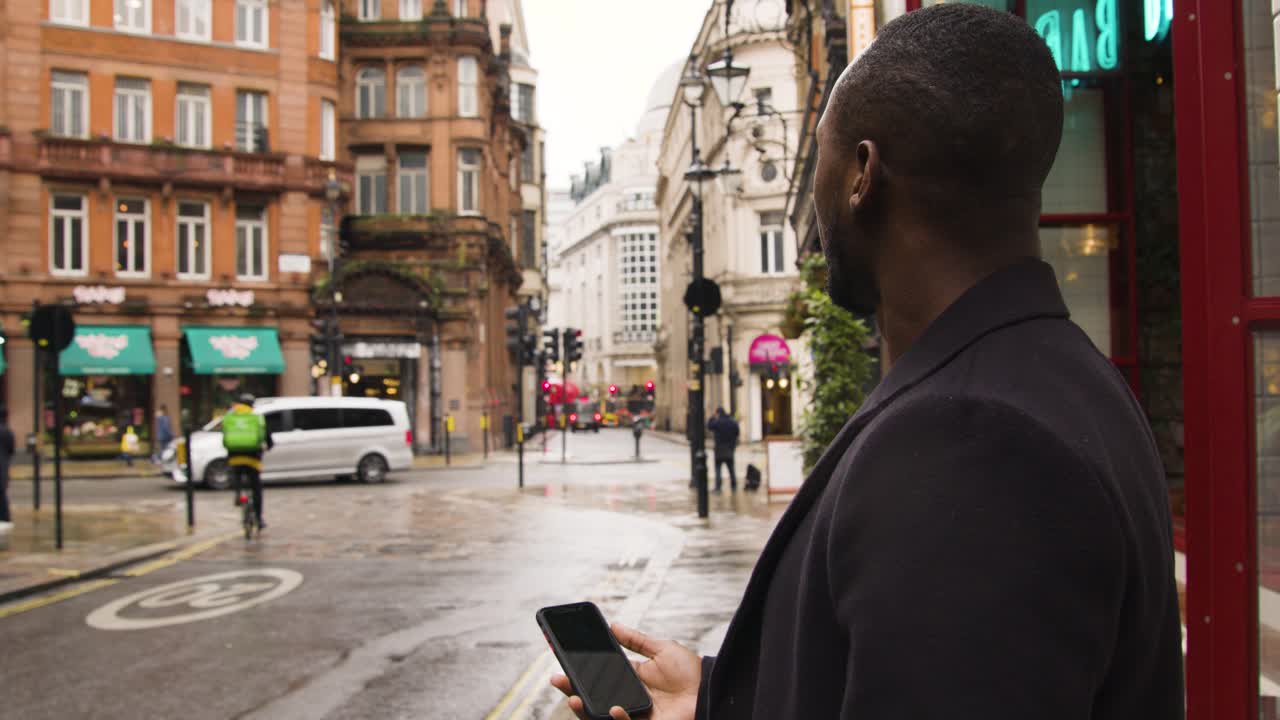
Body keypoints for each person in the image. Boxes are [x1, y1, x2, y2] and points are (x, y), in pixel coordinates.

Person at [552, 6, 1184, 719]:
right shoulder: (1069, 380)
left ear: (861, 173)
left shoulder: (968, 443)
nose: (812, 204)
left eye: (819, 152)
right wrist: (718, 702)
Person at [222, 393, 273, 529]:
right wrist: (268, 446)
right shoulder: (256, 417)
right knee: (256, 487)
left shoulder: (229, 416)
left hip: (234, 455)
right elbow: (265, 436)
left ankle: (238, 492)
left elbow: (225, 436)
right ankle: (258, 518)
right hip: (252, 456)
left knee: (236, 474)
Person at [706, 408, 739, 494]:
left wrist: (712, 417)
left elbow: (709, 426)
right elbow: (737, 432)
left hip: (719, 450)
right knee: (731, 469)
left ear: (718, 413)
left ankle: (718, 488)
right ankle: (734, 486)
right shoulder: (732, 421)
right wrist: (733, 444)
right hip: (729, 449)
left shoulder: (718, 422)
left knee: (718, 470)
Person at [0, 406, 13, 530]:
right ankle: (5, 518)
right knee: (2, 494)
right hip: (3, 467)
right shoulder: (7, 431)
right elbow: (11, 449)